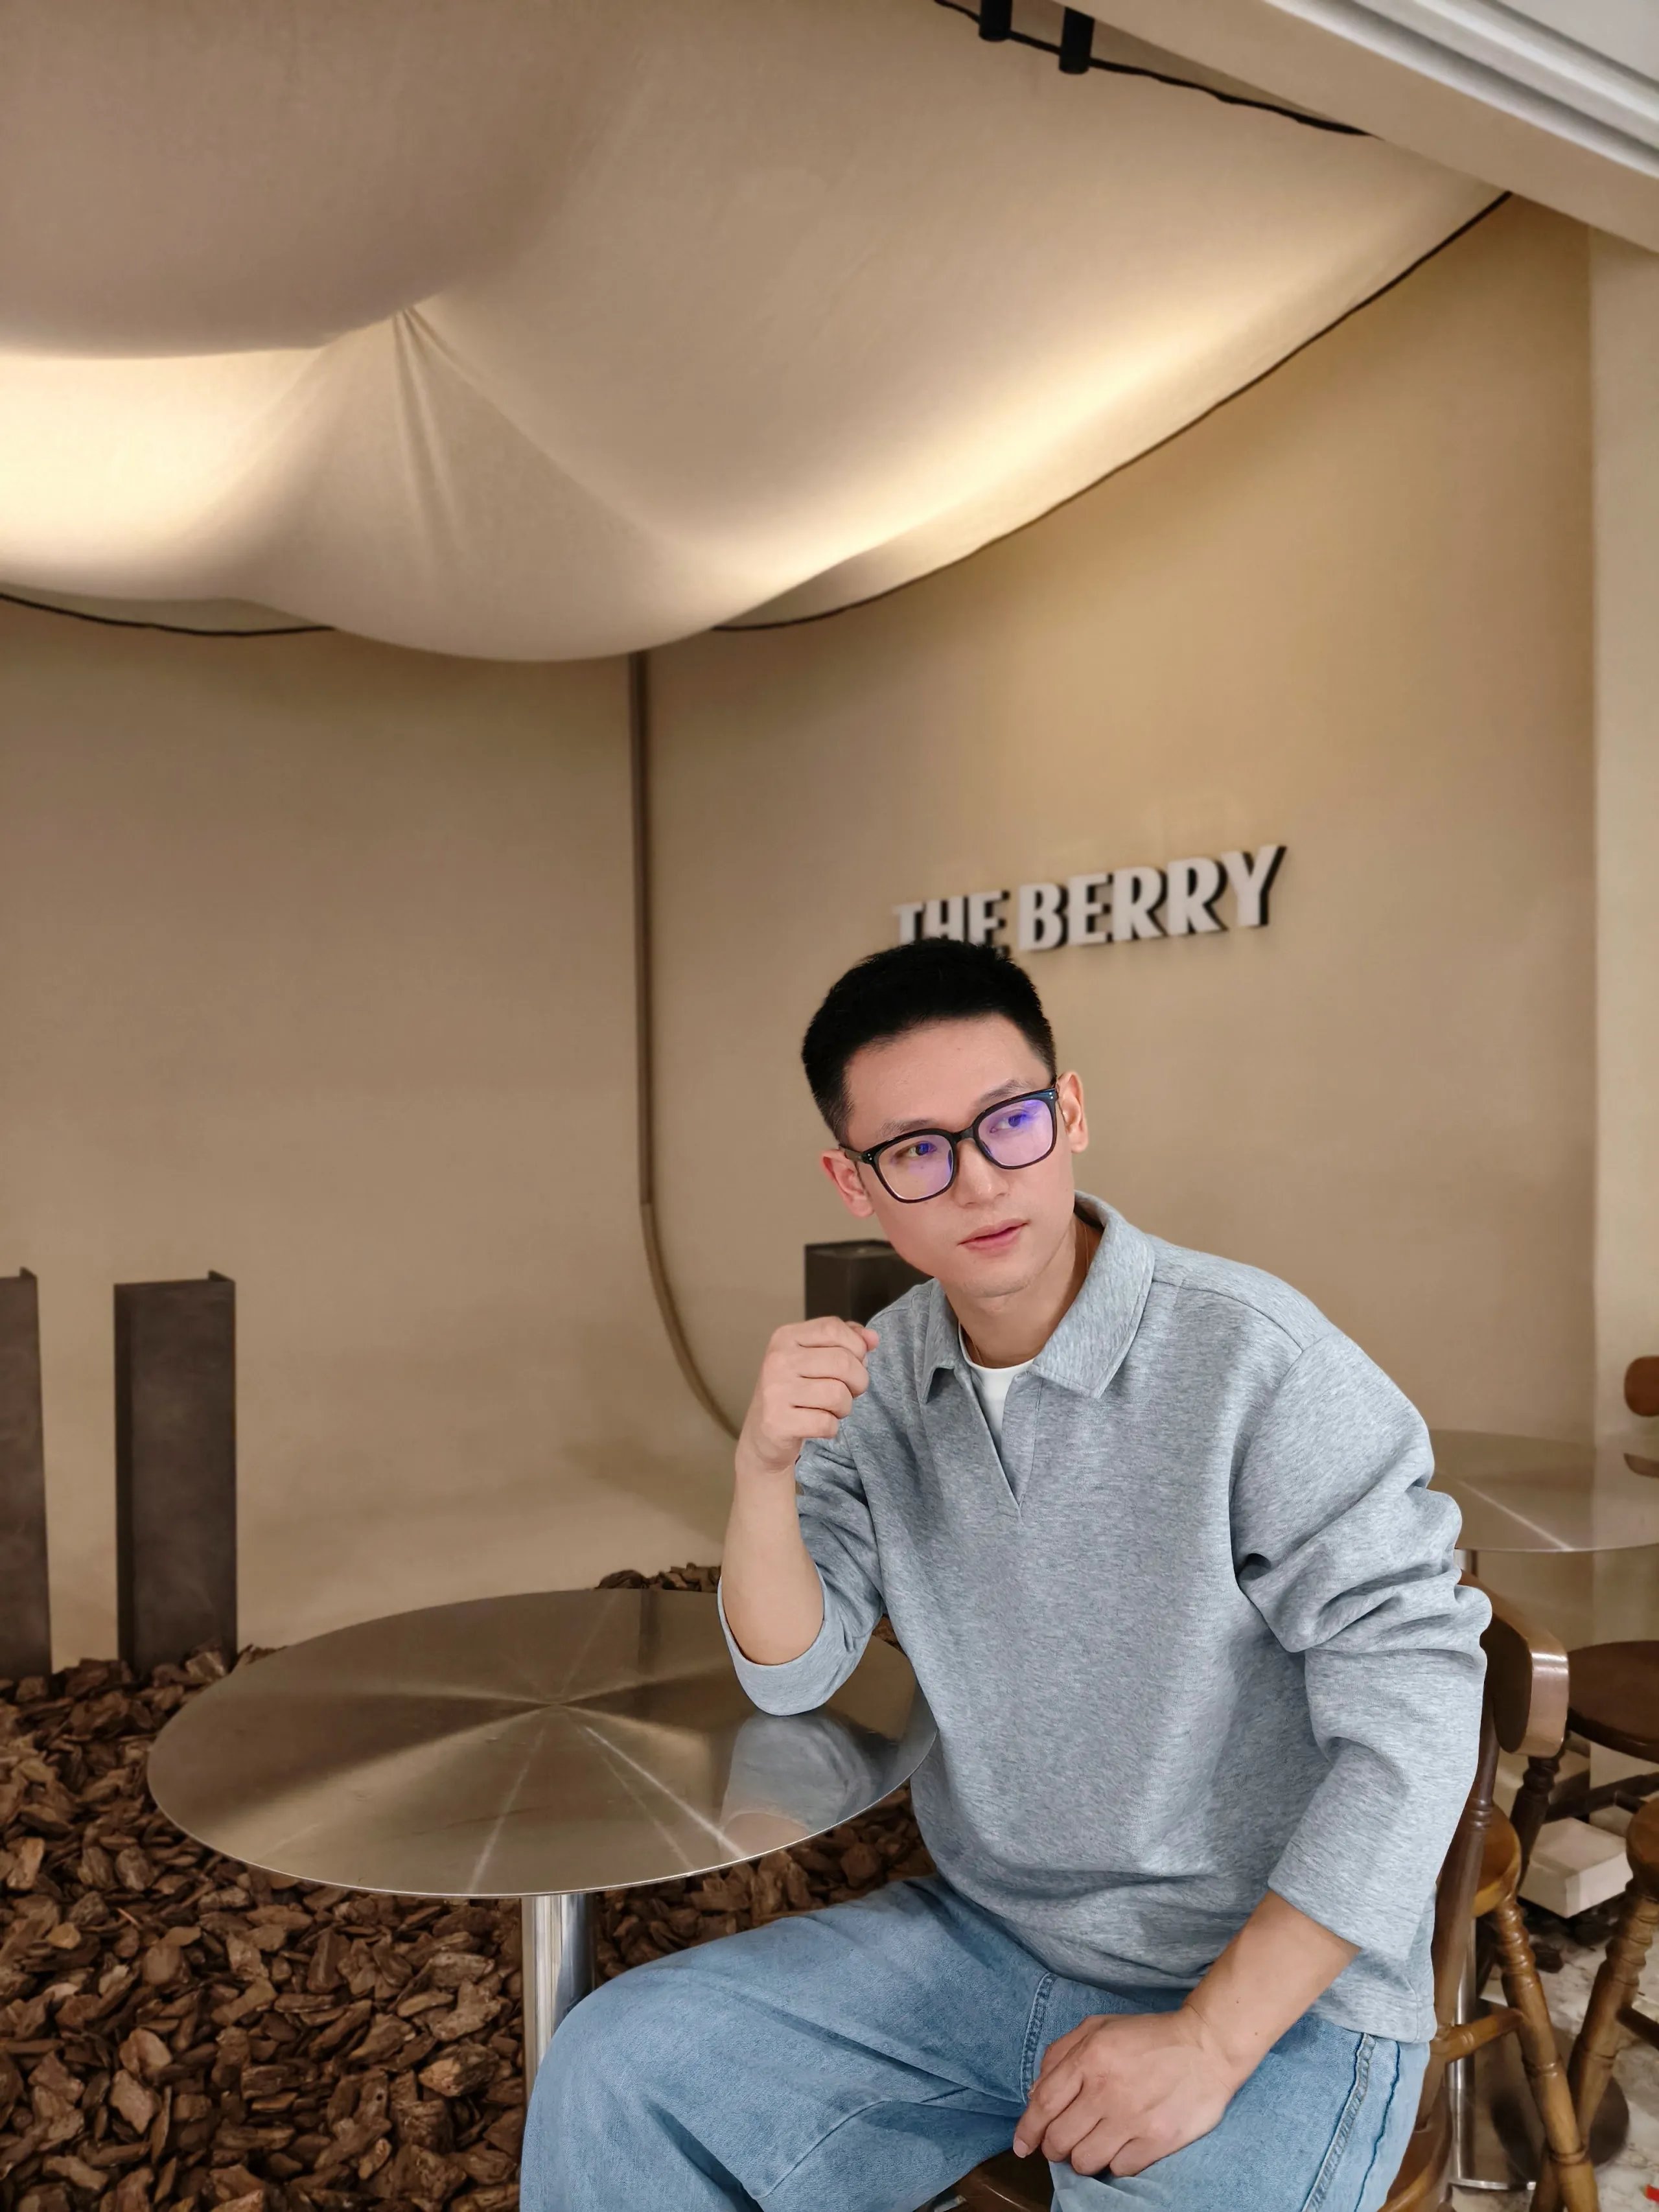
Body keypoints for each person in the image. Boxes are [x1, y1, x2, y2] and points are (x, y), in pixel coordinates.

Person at [524, 938, 1487, 2211]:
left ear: (1069, 1112)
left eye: (1010, 1121)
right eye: (915, 1150)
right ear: (854, 1181)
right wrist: (761, 1470)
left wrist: (1209, 2040)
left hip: (1271, 1992)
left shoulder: (1257, 1362)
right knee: (615, 2069)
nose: (978, 1178)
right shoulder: (879, 1376)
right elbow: (792, 1671)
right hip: (990, 1944)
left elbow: (1418, 1718)